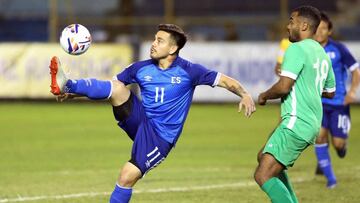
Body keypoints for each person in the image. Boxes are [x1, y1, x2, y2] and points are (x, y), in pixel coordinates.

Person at [49, 24, 256, 203]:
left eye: (160, 40)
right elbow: (107, 88)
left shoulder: (190, 71)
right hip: (140, 121)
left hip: (159, 137)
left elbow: (225, 81)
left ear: (173, 48)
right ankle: (68, 84)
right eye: (154, 39)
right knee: (118, 88)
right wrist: (72, 93)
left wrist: (244, 94)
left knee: (127, 176)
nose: (153, 44)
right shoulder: (140, 68)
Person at [254, 6, 335, 203]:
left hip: (296, 122)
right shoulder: (321, 53)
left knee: (263, 175)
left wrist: (264, 96)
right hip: (310, 123)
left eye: (291, 21)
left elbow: (283, 87)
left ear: (304, 25)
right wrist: (309, 86)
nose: (288, 26)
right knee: (263, 155)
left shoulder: (296, 49)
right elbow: (330, 91)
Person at [314, 11, 360, 188]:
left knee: (338, 145)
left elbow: (355, 70)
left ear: (330, 31)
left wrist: (352, 92)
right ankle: (331, 179)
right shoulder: (309, 49)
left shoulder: (338, 48)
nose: (319, 32)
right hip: (318, 103)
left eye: (323, 29)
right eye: (317, 28)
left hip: (339, 103)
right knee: (319, 137)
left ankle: (341, 148)